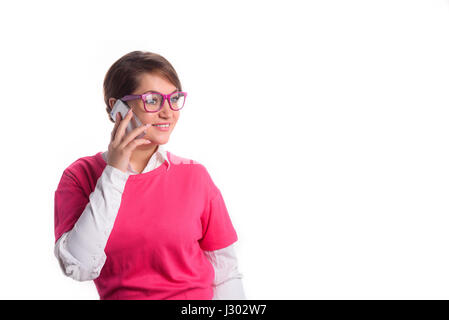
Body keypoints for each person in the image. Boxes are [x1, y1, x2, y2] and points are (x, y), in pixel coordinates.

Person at [53, 50, 246, 300]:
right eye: (153, 100)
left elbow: (226, 273)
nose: (168, 112)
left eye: (174, 98)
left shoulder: (195, 176)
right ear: (117, 108)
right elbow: (78, 266)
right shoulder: (79, 176)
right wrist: (114, 171)